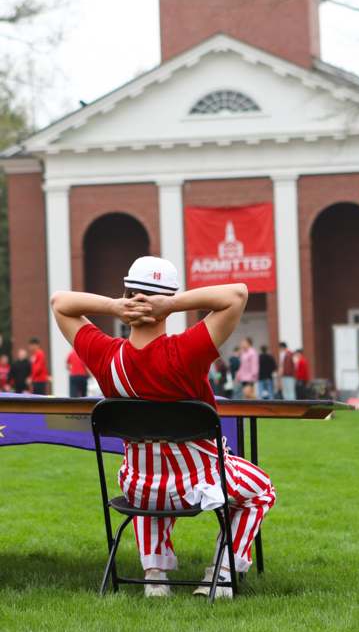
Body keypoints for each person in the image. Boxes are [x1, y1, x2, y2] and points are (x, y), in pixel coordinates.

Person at [50, 255, 276, 598]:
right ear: (168, 301)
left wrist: (115, 306)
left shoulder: (105, 356)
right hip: (197, 484)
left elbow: (60, 303)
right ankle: (223, 573)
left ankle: (155, 575)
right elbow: (237, 294)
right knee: (261, 489)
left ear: (127, 292)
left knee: (152, 475)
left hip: (140, 488)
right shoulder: (186, 352)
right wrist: (170, 304)